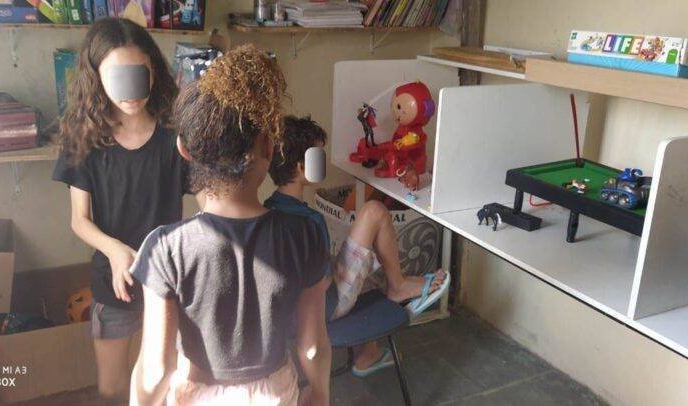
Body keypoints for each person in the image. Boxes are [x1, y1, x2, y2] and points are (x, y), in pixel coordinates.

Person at [130, 45, 332, 406]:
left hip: (199, 395)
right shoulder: (305, 234)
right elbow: (313, 347)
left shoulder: (165, 249)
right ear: (268, 148)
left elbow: (156, 371)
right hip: (275, 392)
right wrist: (320, 394)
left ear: (184, 149)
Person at [51, 18, 190, 400]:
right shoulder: (85, 137)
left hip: (168, 279)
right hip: (115, 282)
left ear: (153, 73)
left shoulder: (174, 134)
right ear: (96, 77)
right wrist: (114, 251)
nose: (129, 91)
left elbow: (208, 200)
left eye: (137, 74)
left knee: (161, 382)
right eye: (116, 76)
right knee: (112, 387)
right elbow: (79, 220)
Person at [265, 115, 449, 377]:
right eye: (319, 156)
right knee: (374, 212)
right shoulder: (310, 220)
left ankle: (368, 354)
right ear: (301, 166)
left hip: (288, 318)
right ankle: (398, 286)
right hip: (322, 309)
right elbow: (323, 281)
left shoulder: (267, 210)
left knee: (362, 260)